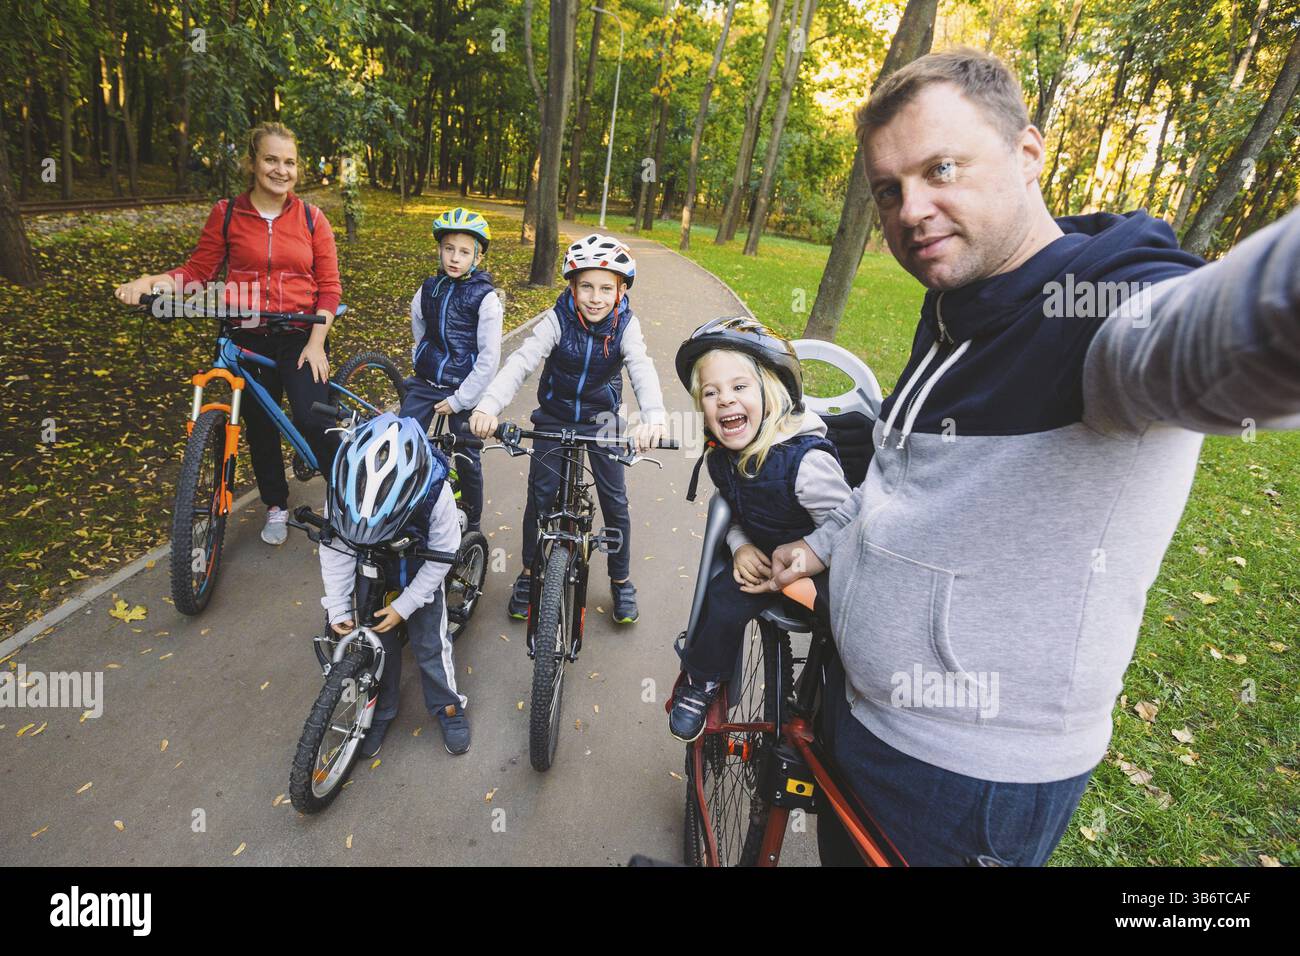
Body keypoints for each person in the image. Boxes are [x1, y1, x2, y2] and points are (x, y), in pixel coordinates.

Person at [763, 48, 1300, 866]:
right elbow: (917, 470)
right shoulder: (956, 302)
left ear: (1028, 154)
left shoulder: (1105, 311)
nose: (912, 209)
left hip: (961, 779)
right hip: (862, 708)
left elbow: (1214, 338)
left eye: (942, 168)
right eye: (889, 189)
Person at [115, 121, 342, 547]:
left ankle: (340, 494)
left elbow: (329, 287)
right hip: (248, 329)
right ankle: (276, 504)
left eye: (289, 162)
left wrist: (316, 343)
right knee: (258, 423)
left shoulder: (313, 219)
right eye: (271, 159)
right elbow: (197, 272)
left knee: (312, 415)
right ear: (253, 162)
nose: (281, 170)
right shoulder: (228, 214)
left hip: (300, 332)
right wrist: (150, 281)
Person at [666, 317, 852, 741]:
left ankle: (843, 710)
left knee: (848, 631)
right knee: (722, 599)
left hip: (824, 567)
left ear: (771, 394)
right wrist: (741, 546)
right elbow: (733, 509)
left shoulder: (806, 464)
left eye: (739, 387)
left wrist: (807, 560)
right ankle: (702, 681)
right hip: (764, 563)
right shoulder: (720, 458)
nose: (724, 400)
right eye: (711, 393)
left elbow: (849, 528)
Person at [469, 234, 667, 624]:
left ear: (621, 290)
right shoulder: (557, 319)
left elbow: (641, 368)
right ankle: (528, 574)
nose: (595, 297)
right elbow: (522, 361)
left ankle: (621, 579)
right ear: (573, 288)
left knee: (614, 500)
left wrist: (655, 418)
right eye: (586, 287)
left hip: (601, 418)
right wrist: (489, 406)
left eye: (606, 288)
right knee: (540, 495)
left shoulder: (626, 326)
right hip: (556, 414)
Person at [319, 413, 469, 757]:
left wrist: (406, 605)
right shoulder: (342, 488)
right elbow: (337, 547)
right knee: (377, 648)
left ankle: (448, 705)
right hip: (373, 570)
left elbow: (442, 557)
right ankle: (382, 709)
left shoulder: (436, 494)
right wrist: (338, 604)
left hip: (420, 572)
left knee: (431, 643)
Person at [397, 208, 503, 534]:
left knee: (467, 454)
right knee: (404, 442)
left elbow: (488, 358)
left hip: (466, 386)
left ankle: (472, 522)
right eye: (449, 249)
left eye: (464, 251)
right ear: (439, 249)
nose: (455, 258)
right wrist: (423, 356)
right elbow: (419, 322)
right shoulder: (429, 287)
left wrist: (459, 400)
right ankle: (401, 509)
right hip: (427, 383)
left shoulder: (485, 299)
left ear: (478, 257)